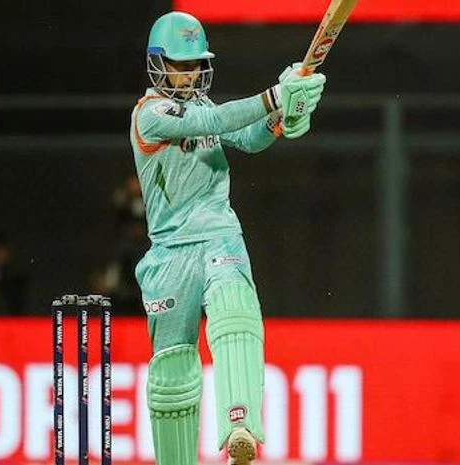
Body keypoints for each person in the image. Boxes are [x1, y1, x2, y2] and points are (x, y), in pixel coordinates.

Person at [130, 11, 326, 465]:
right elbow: (216, 121)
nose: (191, 72)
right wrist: (276, 95)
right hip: (169, 255)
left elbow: (249, 136)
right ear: (158, 64)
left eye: (197, 63)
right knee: (172, 372)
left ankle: (240, 424)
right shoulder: (150, 115)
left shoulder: (204, 109)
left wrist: (283, 116)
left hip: (219, 235)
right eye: (182, 63)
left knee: (236, 317)